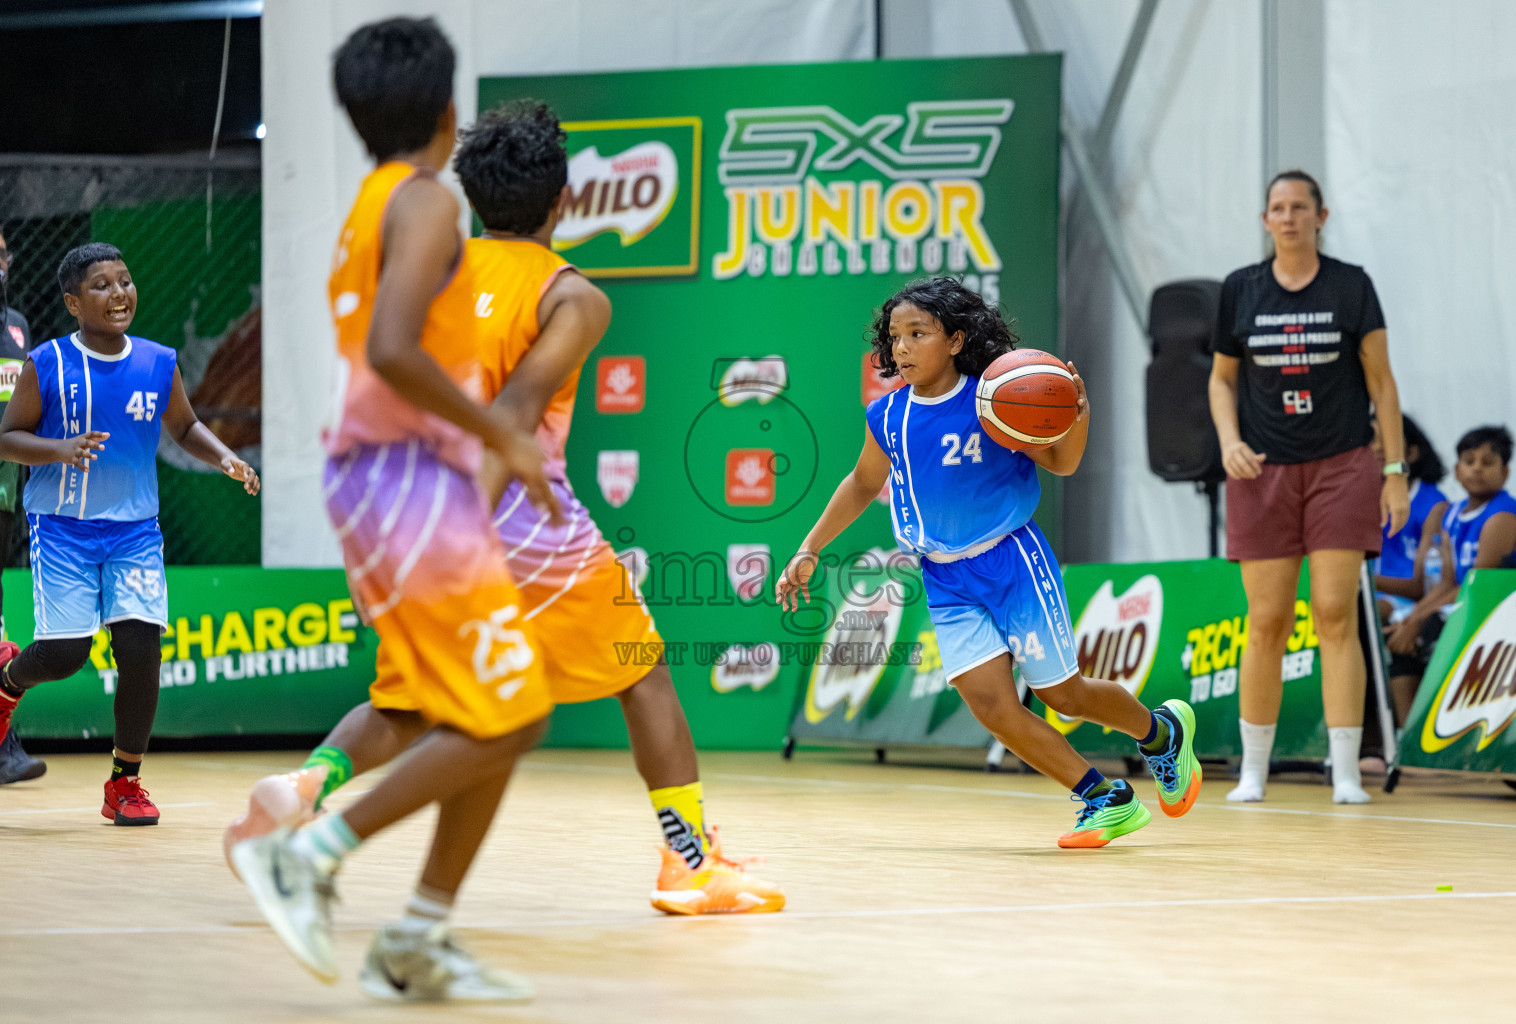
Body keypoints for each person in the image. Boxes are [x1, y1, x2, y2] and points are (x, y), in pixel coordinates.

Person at [224, 102, 784, 916]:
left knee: (407, 701)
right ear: (563, 202)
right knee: (645, 675)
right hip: (517, 521)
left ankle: (309, 782)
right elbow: (518, 411)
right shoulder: (573, 297)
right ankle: (688, 862)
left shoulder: (433, 273)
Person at [227, 18, 559, 1001]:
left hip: (393, 480)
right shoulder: (423, 204)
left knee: (493, 709)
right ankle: (311, 851)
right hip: (402, 478)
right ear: (449, 113)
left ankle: (417, 934)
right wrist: (502, 433)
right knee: (514, 712)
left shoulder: (372, 200)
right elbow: (392, 349)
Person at [776, 276, 1200, 848]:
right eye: (894, 336)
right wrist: (809, 548)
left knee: (1062, 695)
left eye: (917, 333)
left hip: (1011, 562)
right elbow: (860, 483)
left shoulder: (995, 400)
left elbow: (1063, 463)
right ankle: (1104, 799)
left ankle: (1163, 732)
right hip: (945, 577)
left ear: (954, 340)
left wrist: (1078, 413)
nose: (900, 348)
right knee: (992, 706)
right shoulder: (889, 416)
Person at [0, 242, 260, 823]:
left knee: (141, 646)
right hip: (62, 528)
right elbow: (7, 436)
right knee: (66, 654)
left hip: (135, 532)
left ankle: (125, 783)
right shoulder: (47, 363)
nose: (119, 293)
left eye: (125, 281)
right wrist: (59, 450)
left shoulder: (157, 361)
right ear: (72, 301)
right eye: (101, 285)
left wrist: (225, 458)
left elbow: (186, 424)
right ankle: (7, 680)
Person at [1209, 169, 1410, 805]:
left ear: (1321, 216)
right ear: (1265, 220)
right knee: (1265, 620)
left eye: (1300, 207)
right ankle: (1253, 772)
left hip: (1342, 465)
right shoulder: (1241, 289)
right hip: (1261, 469)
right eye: (1277, 207)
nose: (1288, 216)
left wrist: (1395, 472)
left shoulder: (1351, 285)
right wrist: (1229, 441)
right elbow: (1219, 381)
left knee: (1333, 614)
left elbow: (1382, 383)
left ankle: (1347, 770)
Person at [1385, 426, 1516, 706]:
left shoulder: (1502, 517)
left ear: (1505, 473)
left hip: (1514, 612)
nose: (1477, 469)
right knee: (1398, 631)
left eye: (1488, 463)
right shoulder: (1452, 514)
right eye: (1469, 461)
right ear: (1457, 470)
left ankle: (1445, 733)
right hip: (1472, 601)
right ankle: (1405, 736)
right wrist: (1410, 618)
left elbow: (1477, 585)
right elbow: (1446, 583)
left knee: (1430, 629)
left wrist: (1419, 621)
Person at [0, 226, 46, 784]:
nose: (1, 262)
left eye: (4, 252)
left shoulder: (18, 328)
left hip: (7, 487)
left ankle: (4, 744)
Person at [1369, 414, 1449, 723]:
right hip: (1381, 592)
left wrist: (1364, 583)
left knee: (1365, 613)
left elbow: (1423, 586)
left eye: (1383, 439)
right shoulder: (1364, 497)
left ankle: (1392, 730)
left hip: (1415, 600)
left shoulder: (1433, 504)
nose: (1374, 447)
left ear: (1412, 453)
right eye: (1370, 438)